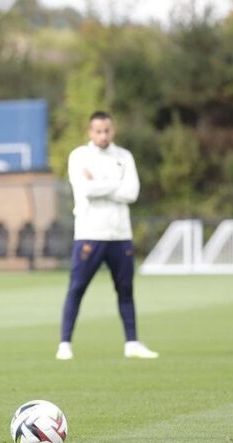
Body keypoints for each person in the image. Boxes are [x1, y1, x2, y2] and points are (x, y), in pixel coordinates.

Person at [55, 111, 159, 361]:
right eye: (98, 131)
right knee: (77, 288)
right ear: (90, 132)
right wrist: (115, 183)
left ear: (113, 131)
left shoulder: (124, 157)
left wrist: (101, 183)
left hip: (120, 234)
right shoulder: (80, 156)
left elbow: (132, 192)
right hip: (90, 233)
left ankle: (132, 342)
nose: (103, 135)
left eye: (107, 130)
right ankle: (65, 344)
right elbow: (85, 189)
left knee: (125, 290)